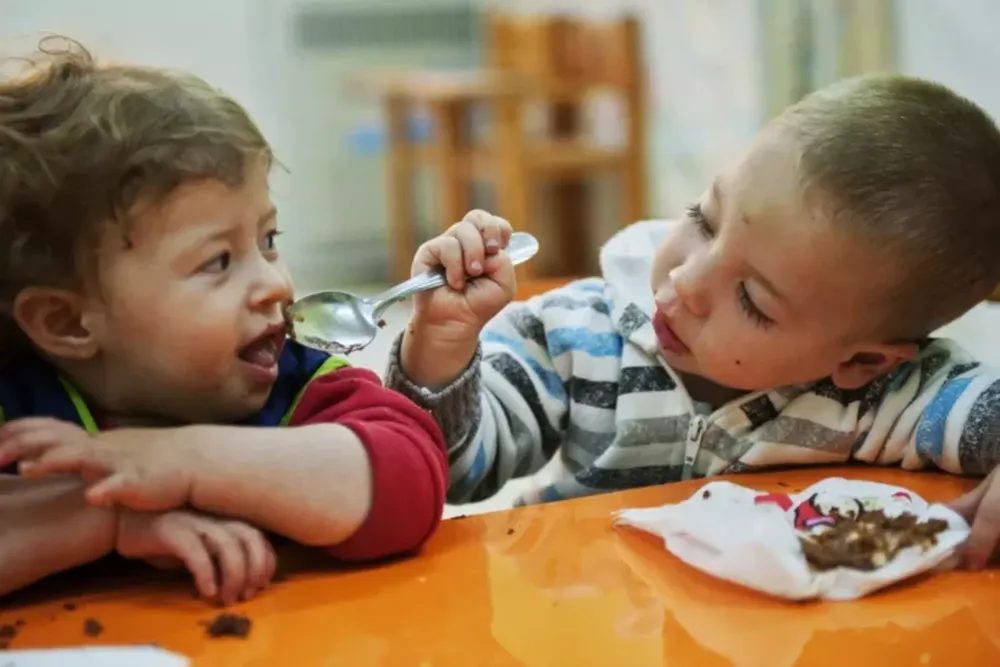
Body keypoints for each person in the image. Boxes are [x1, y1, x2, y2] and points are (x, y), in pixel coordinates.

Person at [385, 73, 1000, 569]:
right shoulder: (576, 336)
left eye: (753, 300)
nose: (685, 282)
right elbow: (448, 476)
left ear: (862, 361)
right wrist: (441, 344)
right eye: (704, 220)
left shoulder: (892, 398)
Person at [0, 40, 448, 604]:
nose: (276, 284)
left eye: (268, 241)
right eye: (218, 261)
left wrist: (184, 462)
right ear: (67, 321)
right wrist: (105, 520)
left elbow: (410, 485)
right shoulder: (17, 411)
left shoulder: (297, 385)